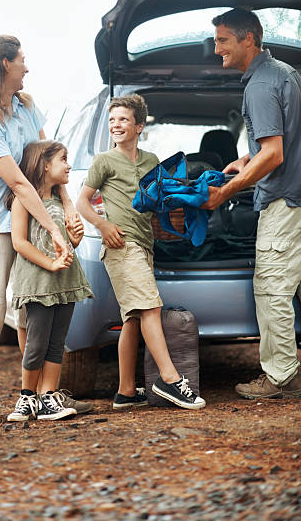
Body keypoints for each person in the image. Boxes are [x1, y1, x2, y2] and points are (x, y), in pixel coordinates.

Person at [0, 35, 76, 423]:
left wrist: (67, 206)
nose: (27, 67)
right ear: (3, 66)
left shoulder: (27, 107)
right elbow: (18, 183)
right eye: (21, 61)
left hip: (35, 217)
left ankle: (32, 394)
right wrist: (55, 230)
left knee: (35, 305)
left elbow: (50, 158)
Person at [76, 94, 206, 410]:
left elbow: (157, 201)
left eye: (122, 119)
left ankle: (125, 392)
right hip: (121, 247)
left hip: (144, 246)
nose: (116, 125)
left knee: (133, 318)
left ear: (139, 125)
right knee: (150, 309)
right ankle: (170, 380)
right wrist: (102, 226)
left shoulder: (151, 161)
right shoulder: (104, 161)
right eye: (112, 120)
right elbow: (82, 201)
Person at [203, 8, 301, 400]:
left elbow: (275, 154)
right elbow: (284, 141)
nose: (216, 49)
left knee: (273, 288)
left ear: (249, 39)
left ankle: (281, 379)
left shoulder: (261, 84)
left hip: (284, 202)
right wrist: (246, 160)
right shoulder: (286, 73)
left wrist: (225, 193)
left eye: (223, 40)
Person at [5, 140, 94, 421]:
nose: (68, 165)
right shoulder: (24, 200)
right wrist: (50, 264)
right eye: (63, 160)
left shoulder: (60, 204)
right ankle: (26, 397)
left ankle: (47, 396)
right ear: (44, 165)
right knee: (36, 342)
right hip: (38, 284)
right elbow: (19, 242)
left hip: (64, 283)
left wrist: (75, 241)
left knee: (57, 342)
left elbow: (63, 245)